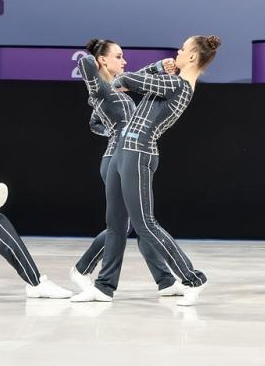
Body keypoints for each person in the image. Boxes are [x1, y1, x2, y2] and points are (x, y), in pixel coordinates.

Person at [71, 35, 221, 306]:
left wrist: (154, 69)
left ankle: (193, 279)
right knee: (115, 226)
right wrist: (154, 70)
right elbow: (125, 83)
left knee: (145, 224)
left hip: (139, 153)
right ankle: (104, 287)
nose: (178, 51)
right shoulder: (171, 81)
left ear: (191, 57)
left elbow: (128, 80)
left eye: (183, 49)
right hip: (123, 152)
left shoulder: (178, 84)